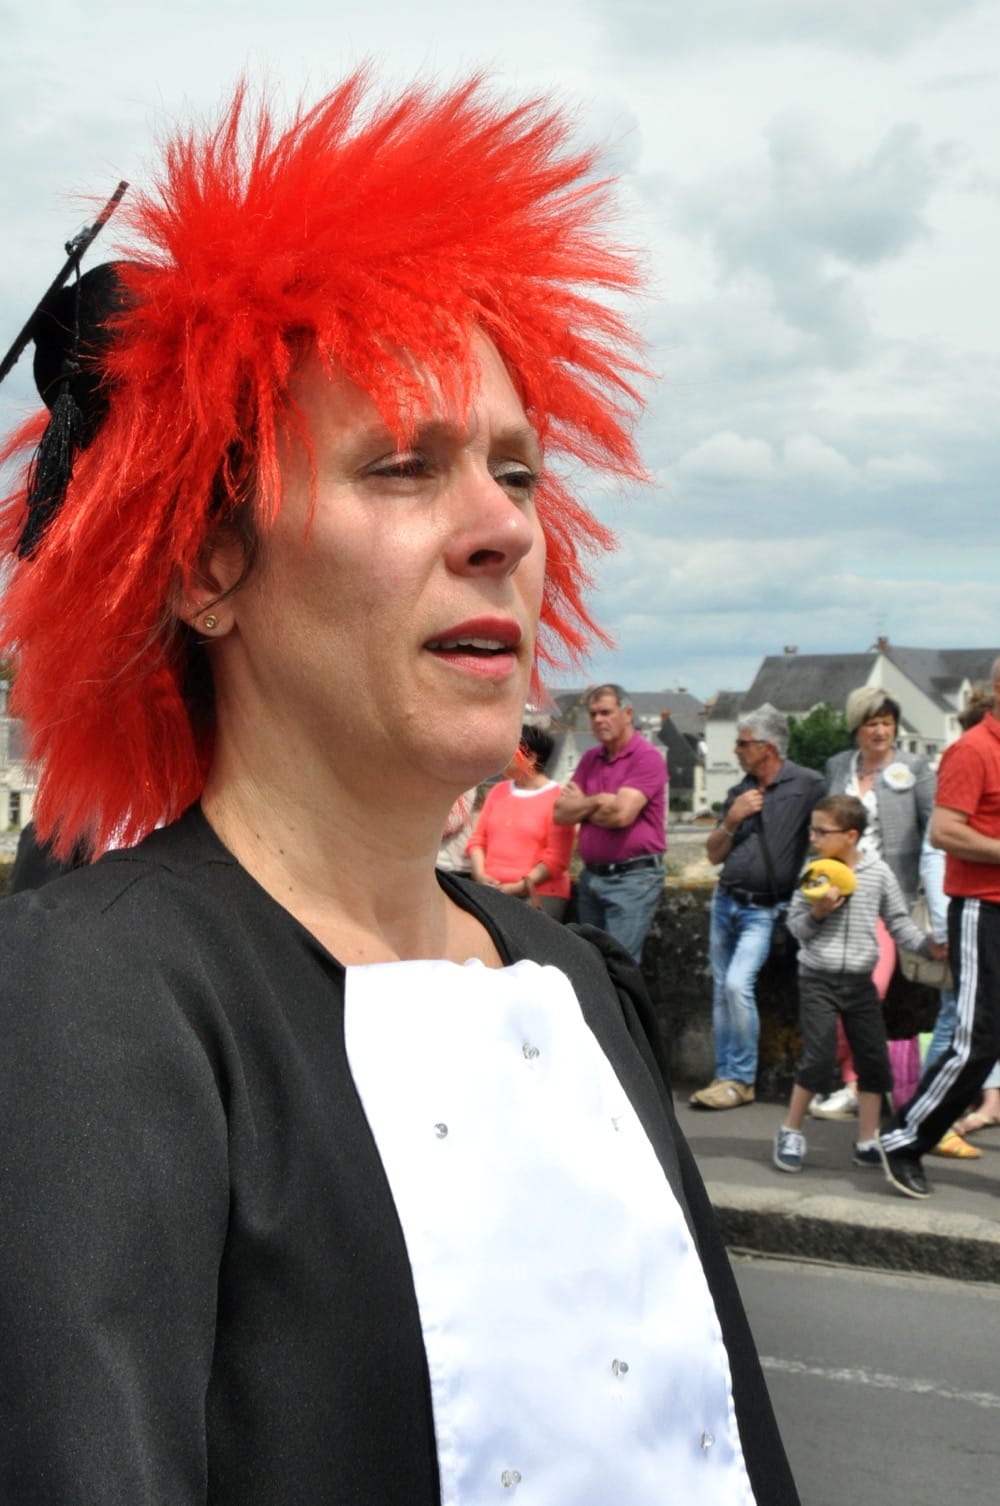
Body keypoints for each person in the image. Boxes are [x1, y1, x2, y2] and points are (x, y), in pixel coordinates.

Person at [0, 77, 799, 1505]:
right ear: (207, 567)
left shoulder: (573, 978)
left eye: (517, 470)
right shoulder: (95, 997)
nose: (502, 528)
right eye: (401, 467)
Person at [880, 656, 1000, 1199]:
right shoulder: (972, 749)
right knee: (976, 1042)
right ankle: (904, 1139)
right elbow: (946, 832)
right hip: (983, 909)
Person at [773, 795, 942, 1174]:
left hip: (860, 983)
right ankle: (790, 1131)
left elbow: (898, 922)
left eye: (822, 831)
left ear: (850, 835)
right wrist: (817, 913)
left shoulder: (878, 874)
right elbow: (796, 927)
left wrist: (929, 948)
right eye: (813, 830)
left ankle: (867, 1140)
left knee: (874, 1061)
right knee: (818, 1057)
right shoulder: (814, 872)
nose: (814, 837)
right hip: (818, 979)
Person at [813, 687, 945, 1121]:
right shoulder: (838, 766)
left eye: (888, 723)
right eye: (872, 723)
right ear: (857, 726)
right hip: (836, 902)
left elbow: (935, 833)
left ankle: (855, 1084)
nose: (881, 731)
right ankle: (850, 1081)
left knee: (869, 991)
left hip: (889, 901)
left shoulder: (914, 768)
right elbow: (820, 831)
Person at [692, 704, 823, 1110]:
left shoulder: (807, 785)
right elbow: (714, 854)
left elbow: (830, 832)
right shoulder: (740, 791)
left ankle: (741, 1078)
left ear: (768, 747)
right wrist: (732, 819)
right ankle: (725, 1076)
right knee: (722, 991)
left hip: (764, 909)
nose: (736, 750)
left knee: (736, 985)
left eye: (743, 743)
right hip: (727, 899)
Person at [552, 683, 667, 962]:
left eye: (606, 712)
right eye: (593, 714)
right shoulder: (591, 759)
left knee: (619, 965)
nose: (598, 720)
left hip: (631, 878)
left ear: (627, 714)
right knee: (592, 963)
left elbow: (621, 815)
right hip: (592, 876)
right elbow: (560, 813)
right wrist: (598, 800)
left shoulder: (646, 757)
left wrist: (582, 806)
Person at [467, 724, 574, 919]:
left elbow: (556, 859)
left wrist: (519, 886)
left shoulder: (558, 798)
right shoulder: (498, 791)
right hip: (492, 892)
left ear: (530, 757)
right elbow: (477, 841)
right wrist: (480, 874)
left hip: (537, 894)